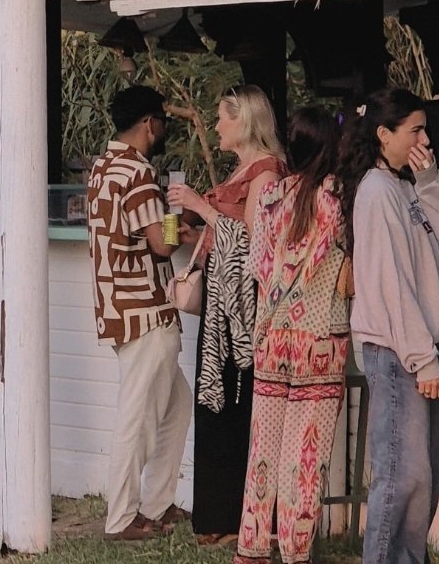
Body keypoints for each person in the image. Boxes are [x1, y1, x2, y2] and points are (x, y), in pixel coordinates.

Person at [343, 87, 439, 564]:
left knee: (423, 477)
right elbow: (391, 283)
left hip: (421, 346)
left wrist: (430, 180)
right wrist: (423, 361)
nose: (424, 137)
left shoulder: (405, 186)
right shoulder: (376, 192)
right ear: (383, 134)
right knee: (402, 474)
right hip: (399, 351)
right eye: (414, 129)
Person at [167, 84, 286, 547]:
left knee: (235, 408)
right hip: (221, 305)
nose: (215, 126)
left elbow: (259, 244)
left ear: (244, 121)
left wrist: (201, 207)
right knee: (215, 405)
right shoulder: (243, 171)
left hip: (241, 311)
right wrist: (195, 220)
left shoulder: (266, 175)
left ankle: (234, 515)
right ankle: (217, 512)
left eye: (221, 117)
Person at [234, 106, 349, 564]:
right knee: (304, 458)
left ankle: (253, 549)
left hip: (272, 338)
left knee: (263, 452)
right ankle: (295, 554)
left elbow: (258, 265)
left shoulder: (268, 197)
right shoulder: (335, 197)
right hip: (318, 341)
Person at [87, 84, 193, 541]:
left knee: (176, 406)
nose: (164, 128)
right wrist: (176, 214)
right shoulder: (140, 172)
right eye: (163, 120)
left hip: (117, 307)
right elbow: (161, 243)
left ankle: (157, 504)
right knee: (138, 419)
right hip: (147, 312)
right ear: (149, 123)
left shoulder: (103, 167)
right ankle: (123, 518)